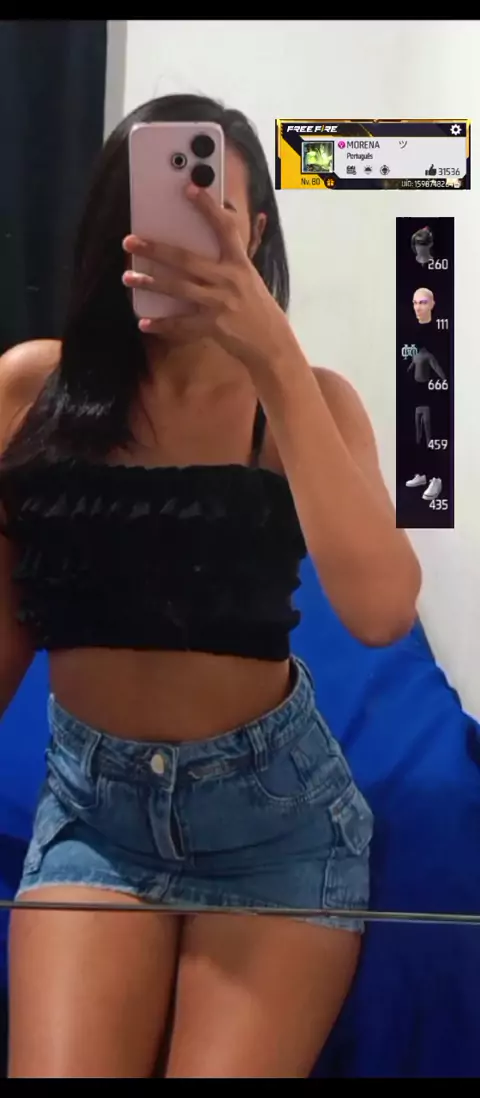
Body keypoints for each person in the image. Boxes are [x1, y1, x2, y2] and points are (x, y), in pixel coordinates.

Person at [0, 94, 421, 1079]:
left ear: (255, 233)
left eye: (212, 216)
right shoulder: (30, 390)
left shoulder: (308, 401)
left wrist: (273, 356)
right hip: (94, 820)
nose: (182, 244)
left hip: (278, 824)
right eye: (157, 214)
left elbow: (381, 611)